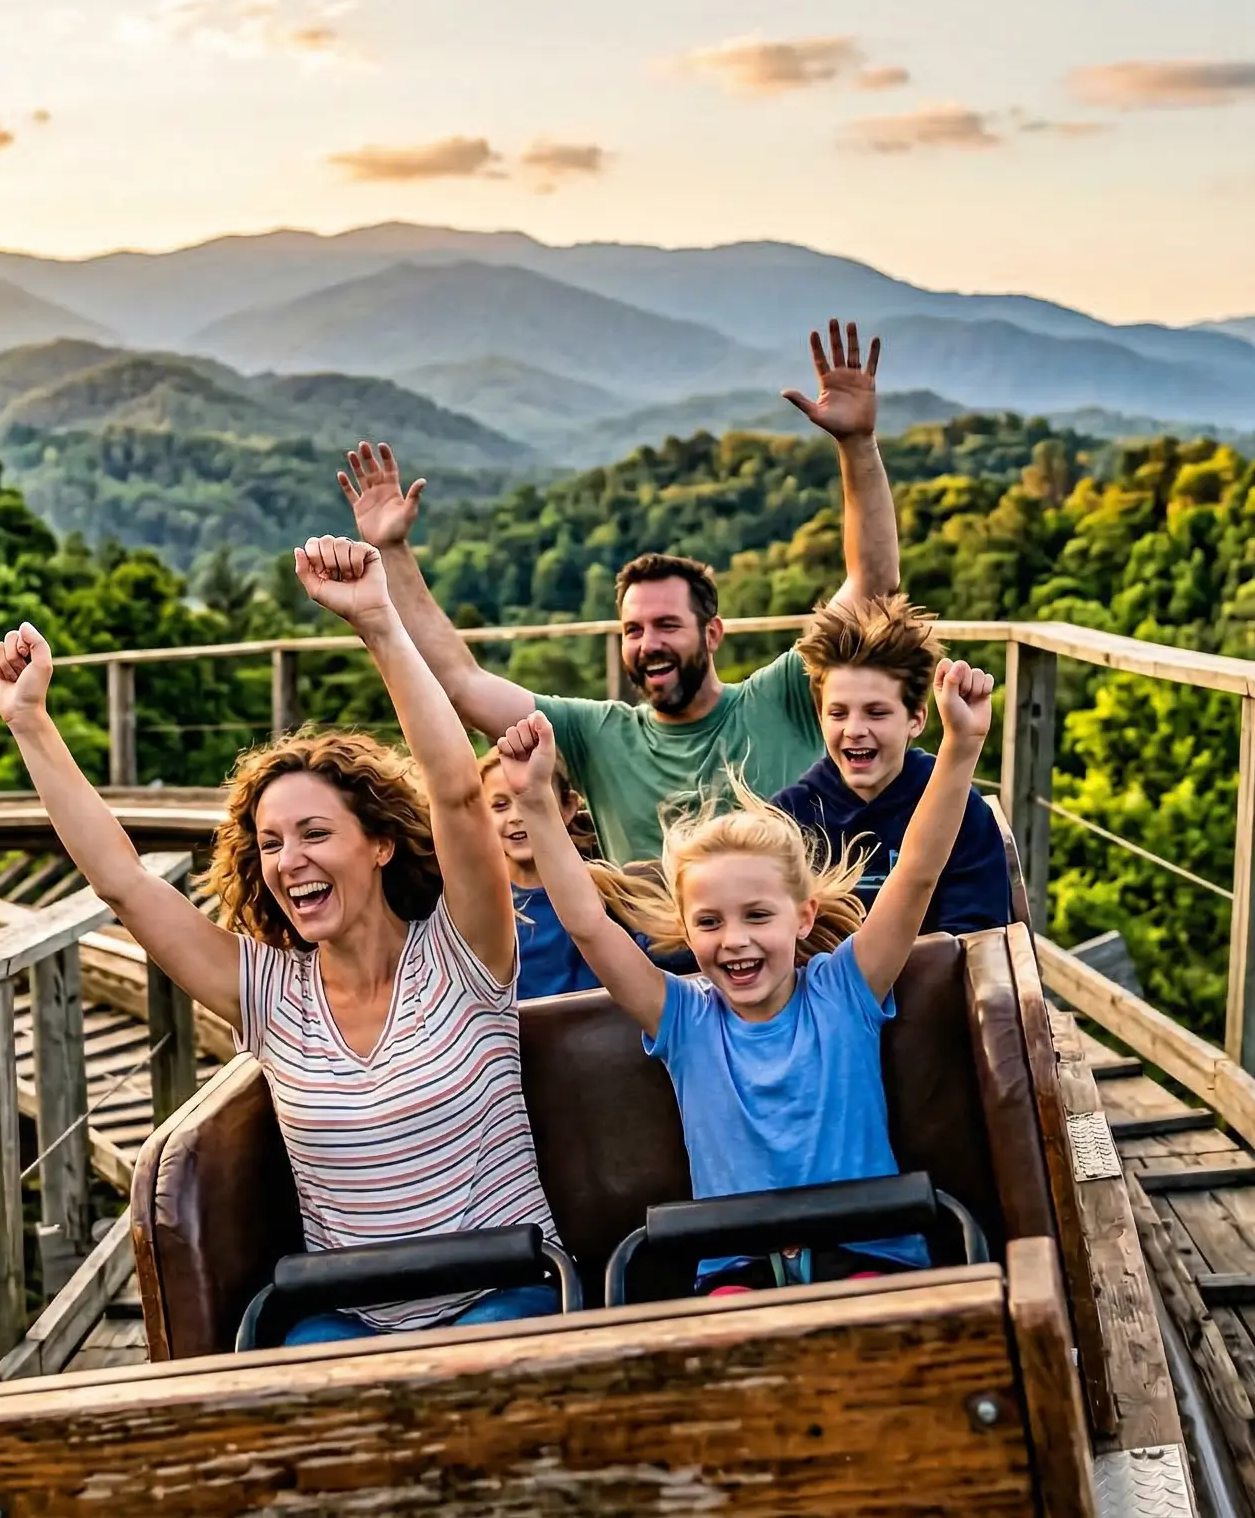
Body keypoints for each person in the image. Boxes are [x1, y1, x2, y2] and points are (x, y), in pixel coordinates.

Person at [0, 535, 560, 1346]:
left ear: (381, 843)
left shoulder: (463, 954)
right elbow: (124, 882)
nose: (290, 862)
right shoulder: (269, 994)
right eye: (270, 843)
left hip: (503, 1296)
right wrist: (31, 724)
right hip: (350, 1317)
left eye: (315, 833)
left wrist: (378, 624)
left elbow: (460, 794)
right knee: (295, 1378)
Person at [492, 657, 997, 1295]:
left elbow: (918, 871)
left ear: (802, 915)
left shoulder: (845, 990)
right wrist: (537, 802)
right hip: (738, 1265)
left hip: (869, 1250)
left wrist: (961, 746)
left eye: (758, 916)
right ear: (684, 928)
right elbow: (592, 925)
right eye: (710, 923)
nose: (735, 941)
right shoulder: (685, 1019)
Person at [341, 320, 904, 863]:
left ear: (713, 633)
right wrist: (393, 553)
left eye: (667, 625)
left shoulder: (781, 698)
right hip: (650, 961)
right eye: (633, 630)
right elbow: (462, 684)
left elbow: (872, 585)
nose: (647, 643)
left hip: (793, 951)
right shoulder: (596, 736)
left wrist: (857, 445)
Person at [772, 593, 1012, 933]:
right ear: (820, 718)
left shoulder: (961, 811)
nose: (854, 730)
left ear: (916, 719)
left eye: (877, 712)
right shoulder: (789, 817)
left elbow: (975, 939)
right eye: (838, 713)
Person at [478, 747, 655, 999]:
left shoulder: (607, 890)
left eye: (533, 802)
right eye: (500, 805)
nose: (516, 817)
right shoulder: (479, 909)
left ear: (569, 806)